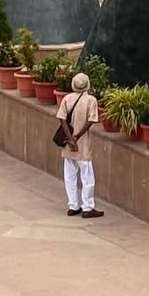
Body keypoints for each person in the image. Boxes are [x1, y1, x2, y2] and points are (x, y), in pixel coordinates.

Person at [57, 71, 103, 218]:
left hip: (67, 144)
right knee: (87, 175)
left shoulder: (67, 99)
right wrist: (76, 137)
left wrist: (70, 138)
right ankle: (87, 207)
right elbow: (91, 121)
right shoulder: (91, 100)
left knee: (69, 174)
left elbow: (62, 119)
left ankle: (73, 205)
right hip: (82, 144)